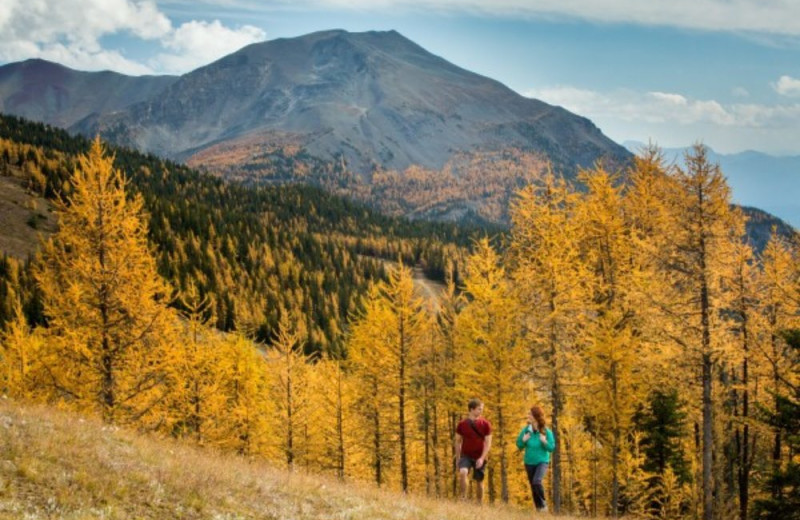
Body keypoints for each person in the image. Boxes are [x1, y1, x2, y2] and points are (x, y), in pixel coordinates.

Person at [516, 405, 555, 512]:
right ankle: (539, 510)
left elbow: (551, 448)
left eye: (530, 414)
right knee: (533, 486)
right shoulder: (526, 430)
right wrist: (523, 440)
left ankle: (543, 504)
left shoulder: (546, 432)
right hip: (529, 462)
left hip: (542, 461)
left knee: (537, 481)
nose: (528, 416)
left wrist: (544, 441)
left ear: (536, 416)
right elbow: (519, 445)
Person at [454, 398, 492, 503]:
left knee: (479, 481)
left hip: (480, 456)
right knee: (463, 472)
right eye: (479, 409)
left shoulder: (486, 424)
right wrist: (458, 458)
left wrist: (482, 458)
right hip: (466, 455)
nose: (481, 411)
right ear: (471, 409)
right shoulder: (462, 424)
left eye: (481, 409)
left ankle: (479, 503)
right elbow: (457, 441)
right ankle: (463, 498)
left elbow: (488, 443)